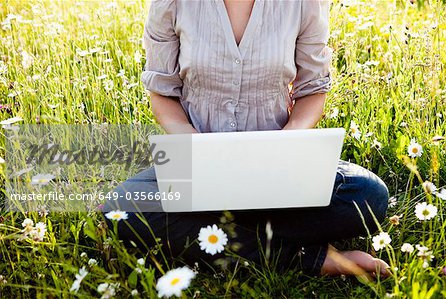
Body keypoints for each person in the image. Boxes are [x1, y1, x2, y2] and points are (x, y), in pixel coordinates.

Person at [102, 0, 391, 277]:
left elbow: (313, 90)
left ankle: (216, 231)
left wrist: (288, 141)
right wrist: (195, 146)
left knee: (369, 195)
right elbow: (162, 93)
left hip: (279, 170)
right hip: (200, 168)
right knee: (123, 207)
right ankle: (307, 257)